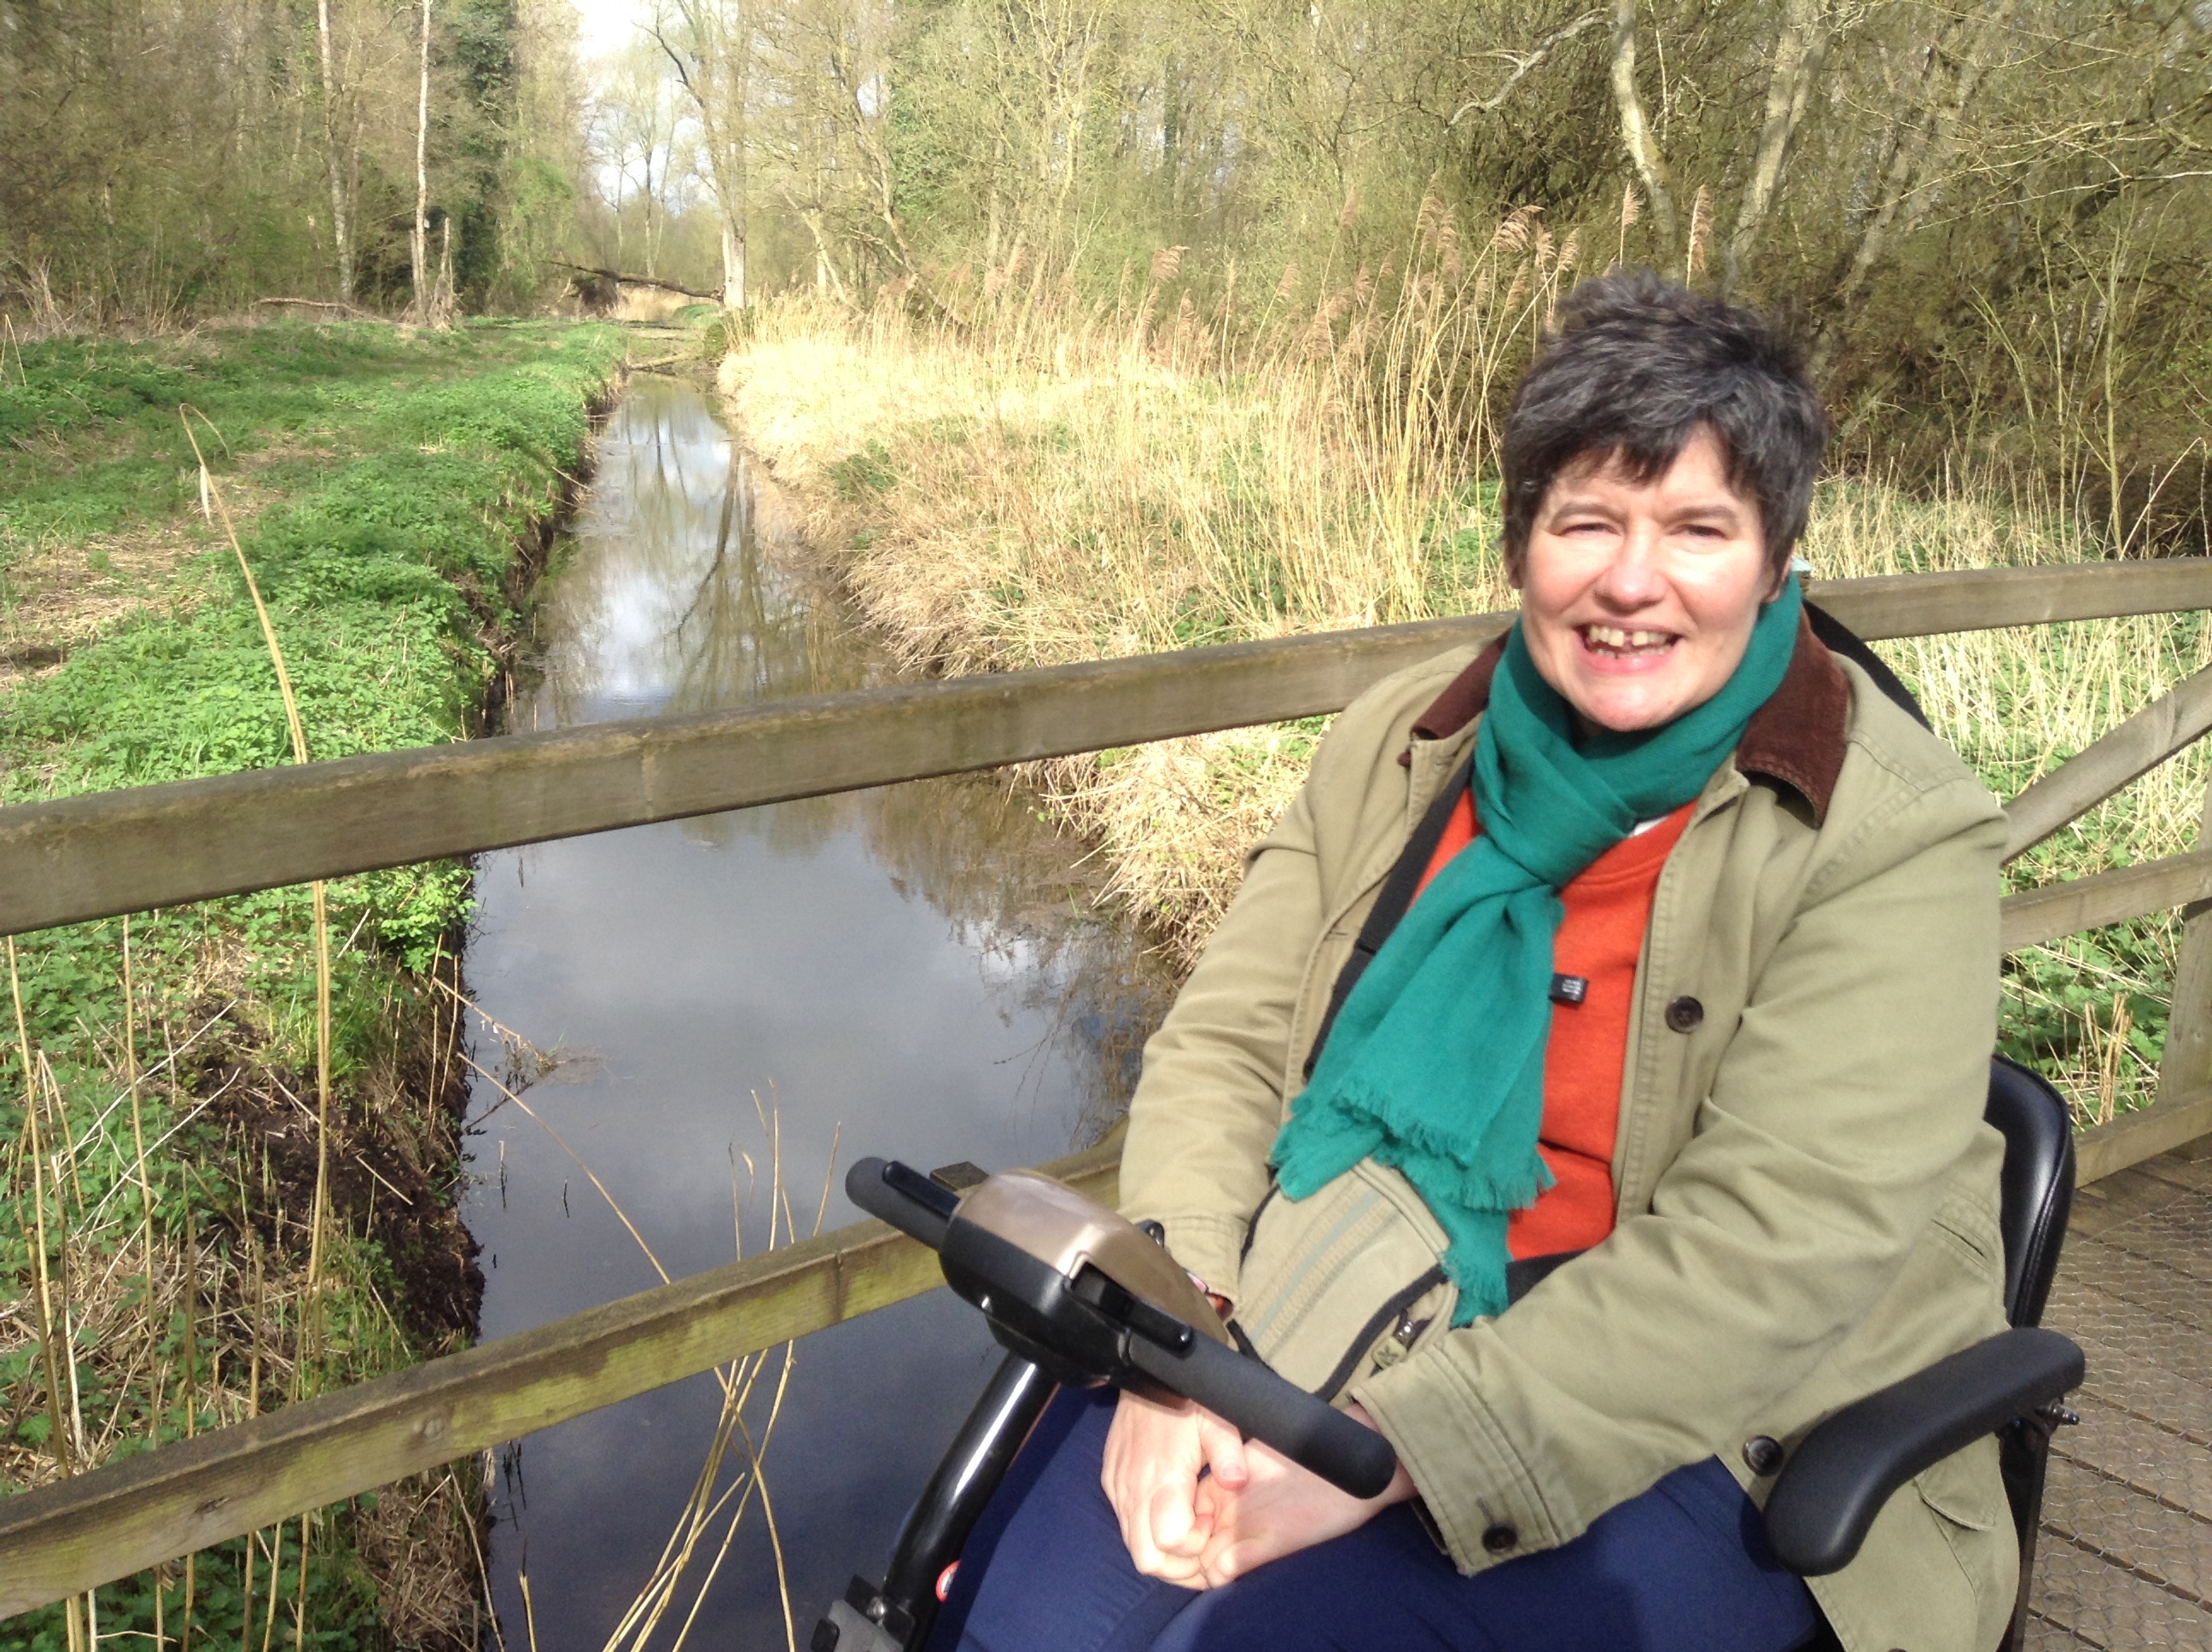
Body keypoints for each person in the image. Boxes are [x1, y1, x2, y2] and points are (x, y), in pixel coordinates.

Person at [928, 273, 2014, 1652]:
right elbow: (1226, 1047)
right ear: (1520, 546)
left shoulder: (1890, 836)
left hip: (1730, 1429)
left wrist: (1397, 1451)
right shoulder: (1403, 744)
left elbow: (1773, 1257)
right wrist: (1177, 1342)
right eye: (1587, 522)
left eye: (1697, 528)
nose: (1633, 579)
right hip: (1334, 1308)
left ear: (1779, 554)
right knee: (1032, 1627)